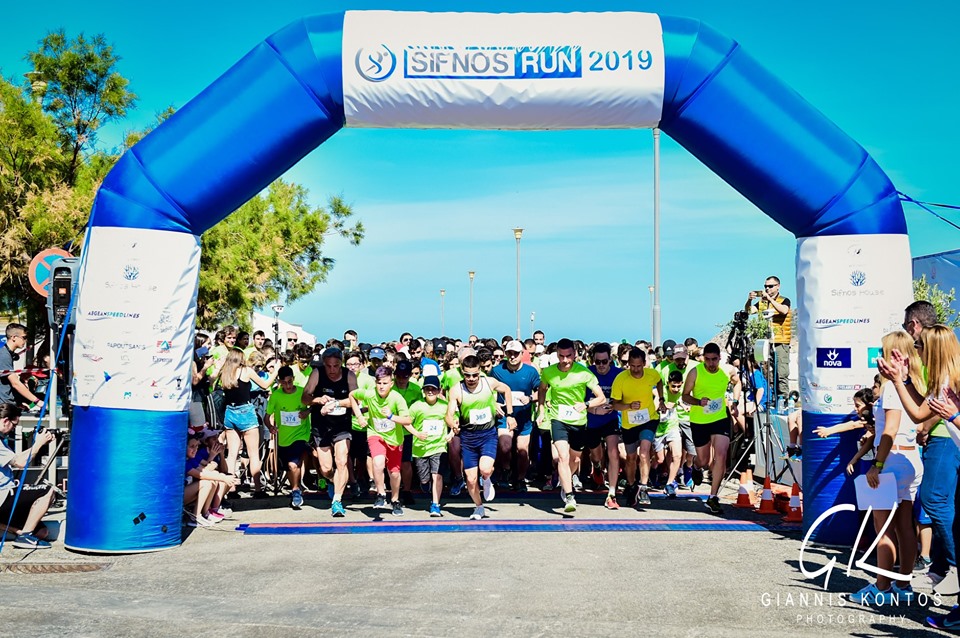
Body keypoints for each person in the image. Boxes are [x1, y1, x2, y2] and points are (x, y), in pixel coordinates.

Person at [849, 330, 925, 605]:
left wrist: (876, 466)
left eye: (883, 350)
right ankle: (903, 584)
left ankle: (881, 587)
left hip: (892, 460)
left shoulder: (893, 387)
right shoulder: (912, 383)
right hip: (910, 459)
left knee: (882, 527)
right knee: (905, 526)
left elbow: (889, 430)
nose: (879, 356)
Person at [901, 300, 960, 595]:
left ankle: (953, 567)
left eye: (920, 347)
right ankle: (946, 570)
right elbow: (919, 414)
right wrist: (900, 380)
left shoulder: (953, 379)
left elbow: (927, 416)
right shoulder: (941, 380)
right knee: (944, 506)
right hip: (946, 440)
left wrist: (953, 416)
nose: (917, 352)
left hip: (947, 444)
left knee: (935, 500)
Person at [537, 338, 608, 513]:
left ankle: (566, 480)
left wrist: (586, 405)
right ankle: (569, 495)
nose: (565, 360)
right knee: (562, 456)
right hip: (558, 419)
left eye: (569, 356)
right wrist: (541, 409)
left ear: (574, 354)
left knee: (575, 459)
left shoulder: (584, 373)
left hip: (578, 421)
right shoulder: (548, 372)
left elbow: (601, 398)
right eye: (561, 356)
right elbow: (542, 389)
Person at [446, 355, 516, 520]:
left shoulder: (488, 382)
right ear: (462, 373)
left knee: (485, 468)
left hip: (487, 435)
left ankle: (487, 477)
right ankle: (479, 507)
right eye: (467, 375)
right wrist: (452, 424)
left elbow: (506, 390)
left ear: (480, 372)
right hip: (468, 437)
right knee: (470, 480)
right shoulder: (457, 389)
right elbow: (448, 415)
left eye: (475, 375)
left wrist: (510, 414)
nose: (471, 379)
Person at [683, 342, 741, 514]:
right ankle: (695, 466)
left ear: (719, 359)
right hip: (699, 420)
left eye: (714, 359)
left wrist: (735, 402)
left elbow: (737, 383)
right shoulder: (695, 372)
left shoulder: (727, 370)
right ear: (703, 359)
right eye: (707, 359)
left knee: (721, 455)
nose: (711, 363)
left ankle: (713, 497)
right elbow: (685, 396)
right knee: (704, 460)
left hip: (720, 418)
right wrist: (698, 402)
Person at [215, 348, 278, 497]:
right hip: (246, 412)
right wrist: (275, 371)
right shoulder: (246, 371)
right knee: (253, 453)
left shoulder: (224, 373)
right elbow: (265, 384)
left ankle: (230, 489)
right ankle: (257, 489)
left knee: (232, 454)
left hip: (230, 413)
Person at [303, 348, 358, 517]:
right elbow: (304, 397)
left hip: (342, 425)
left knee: (342, 460)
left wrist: (336, 404)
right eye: (328, 366)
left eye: (336, 366)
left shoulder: (349, 375)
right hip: (321, 426)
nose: (332, 370)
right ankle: (334, 481)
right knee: (326, 468)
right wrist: (318, 400)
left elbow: (356, 399)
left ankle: (337, 501)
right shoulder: (317, 373)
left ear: (341, 363)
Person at [351, 366, 412, 516]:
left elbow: (408, 419)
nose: (381, 386)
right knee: (377, 463)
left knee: (395, 473)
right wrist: (359, 416)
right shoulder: (370, 394)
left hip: (395, 439)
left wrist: (391, 416)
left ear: (391, 383)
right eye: (379, 383)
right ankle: (381, 494)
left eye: (385, 383)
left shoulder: (397, 398)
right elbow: (352, 395)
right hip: (375, 434)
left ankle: (395, 500)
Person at [610, 347, 666, 508]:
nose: (635, 369)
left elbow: (659, 381)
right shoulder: (621, 379)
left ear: (644, 364)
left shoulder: (651, 374)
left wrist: (661, 399)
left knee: (644, 452)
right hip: (629, 423)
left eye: (638, 366)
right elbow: (615, 405)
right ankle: (631, 484)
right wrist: (628, 405)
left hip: (649, 419)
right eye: (632, 366)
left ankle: (643, 487)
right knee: (631, 458)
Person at [0, 403, 56, 549]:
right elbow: (20, 462)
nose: (13, 429)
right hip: (2, 496)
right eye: (14, 424)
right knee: (48, 490)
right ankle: (25, 536)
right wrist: (38, 444)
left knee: (42, 532)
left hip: (5, 498)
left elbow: (16, 458)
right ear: (6, 420)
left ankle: (22, 533)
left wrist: (38, 444)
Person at [491, 340, 541, 491]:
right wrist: (494, 404)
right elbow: (487, 389)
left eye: (515, 354)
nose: (512, 357)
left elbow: (541, 391)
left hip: (524, 416)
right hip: (505, 416)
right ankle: (505, 471)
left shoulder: (530, 371)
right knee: (505, 446)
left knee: (522, 450)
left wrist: (531, 398)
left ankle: (520, 479)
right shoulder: (497, 371)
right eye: (509, 353)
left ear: (522, 354)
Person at [265, 366, 312, 510]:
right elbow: (267, 416)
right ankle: (295, 488)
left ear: (294, 379)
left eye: (290, 382)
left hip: (301, 434)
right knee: (290, 467)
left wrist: (307, 412)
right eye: (284, 383)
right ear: (279, 382)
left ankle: (296, 490)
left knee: (293, 464)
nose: (288, 385)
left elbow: (314, 405)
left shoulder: (302, 392)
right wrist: (270, 427)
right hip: (284, 438)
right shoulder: (276, 396)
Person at [406, 376, 452, 517]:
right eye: (427, 389)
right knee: (425, 479)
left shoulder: (445, 406)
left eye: (433, 389)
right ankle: (424, 484)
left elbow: (454, 421)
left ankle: (435, 504)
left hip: (439, 446)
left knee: (437, 476)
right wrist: (417, 433)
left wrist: (451, 434)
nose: (430, 391)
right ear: (423, 390)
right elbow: (407, 422)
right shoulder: (416, 406)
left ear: (439, 391)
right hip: (420, 448)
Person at [585, 342, 622, 509]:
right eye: (597, 362)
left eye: (604, 361)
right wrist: (593, 410)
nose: (601, 365)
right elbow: (580, 400)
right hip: (592, 420)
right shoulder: (587, 374)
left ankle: (612, 493)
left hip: (611, 419)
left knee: (613, 452)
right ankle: (597, 467)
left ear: (610, 360)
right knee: (596, 455)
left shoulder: (619, 374)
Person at [745, 276, 791, 398]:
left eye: (770, 286)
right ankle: (770, 398)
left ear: (778, 286)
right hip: (765, 342)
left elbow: (784, 311)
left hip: (780, 342)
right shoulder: (762, 303)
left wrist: (770, 299)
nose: (767, 288)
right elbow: (749, 311)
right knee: (766, 373)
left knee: (781, 373)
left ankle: (783, 400)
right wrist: (749, 300)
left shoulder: (784, 300)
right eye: (765, 286)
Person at [0, 324, 42, 410]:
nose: (26, 340)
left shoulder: (8, 354)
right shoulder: (4, 356)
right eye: (24, 337)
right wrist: (38, 401)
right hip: (4, 406)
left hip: (9, 404)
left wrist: (19, 403)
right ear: (14, 337)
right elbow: (15, 383)